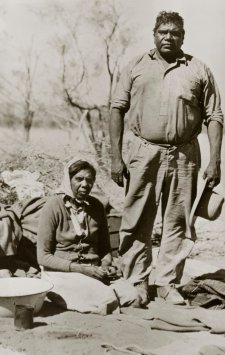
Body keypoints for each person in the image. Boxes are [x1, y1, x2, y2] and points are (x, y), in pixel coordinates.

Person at [109, 11, 223, 305]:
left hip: (185, 154)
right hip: (142, 151)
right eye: (163, 32)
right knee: (136, 219)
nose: (168, 37)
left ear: (183, 37)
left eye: (174, 33)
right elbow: (116, 109)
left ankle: (167, 283)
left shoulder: (199, 70)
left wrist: (215, 160)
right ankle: (136, 280)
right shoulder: (135, 65)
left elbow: (214, 116)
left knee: (179, 222)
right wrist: (115, 157)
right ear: (154, 34)